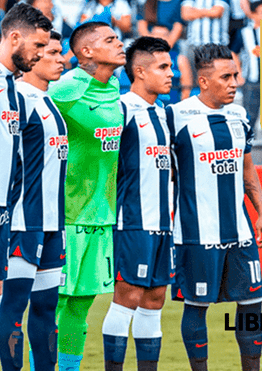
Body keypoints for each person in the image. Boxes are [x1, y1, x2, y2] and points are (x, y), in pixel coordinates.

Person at [165, 43, 262, 371]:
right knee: (197, 307)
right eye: (226, 76)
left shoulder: (239, 114)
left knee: (252, 303)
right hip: (197, 233)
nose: (234, 83)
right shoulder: (176, 116)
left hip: (239, 231)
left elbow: (247, 167)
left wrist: (261, 212)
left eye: (236, 75)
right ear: (203, 81)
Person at [0, 3, 51, 370]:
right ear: (14, 37)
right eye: (37, 45)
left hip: (4, 209)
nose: (41, 54)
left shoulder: (13, 89)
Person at [48, 21, 126, 371]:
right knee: (53, 306)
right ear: (87, 52)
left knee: (81, 307)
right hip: (66, 216)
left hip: (101, 216)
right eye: (110, 39)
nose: (120, 43)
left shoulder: (113, 89)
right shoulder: (65, 90)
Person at [0, 30, 67, 371]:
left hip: (54, 223)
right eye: (50, 52)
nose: (60, 59)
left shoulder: (49, 100)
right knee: (14, 306)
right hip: (23, 222)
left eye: (59, 53)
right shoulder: (17, 98)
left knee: (46, 308)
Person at [101, 36, 174, 371]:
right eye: (163, 67)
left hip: (162, 224)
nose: (171, 73)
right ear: (140, 72)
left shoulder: (162, 113)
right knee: (127, 296)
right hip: (131, 221)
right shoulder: (121, 110)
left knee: (155, 299)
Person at [230, 0, 262, 128]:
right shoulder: (244, 32)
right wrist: (239, 73)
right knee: (250, 114)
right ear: (253, 15)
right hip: (251, 79)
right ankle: (247, 143)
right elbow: (233, 53)